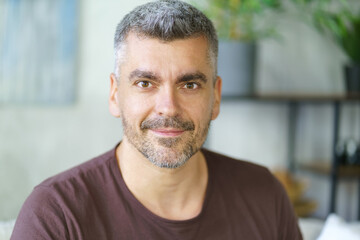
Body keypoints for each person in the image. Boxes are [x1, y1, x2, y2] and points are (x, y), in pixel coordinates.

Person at [11, 0, 303, 239]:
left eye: (189, 85)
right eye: (145, 83)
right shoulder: (56, 214)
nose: (168, 108)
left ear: (215, 97)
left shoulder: (265, 195)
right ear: (115, 95)